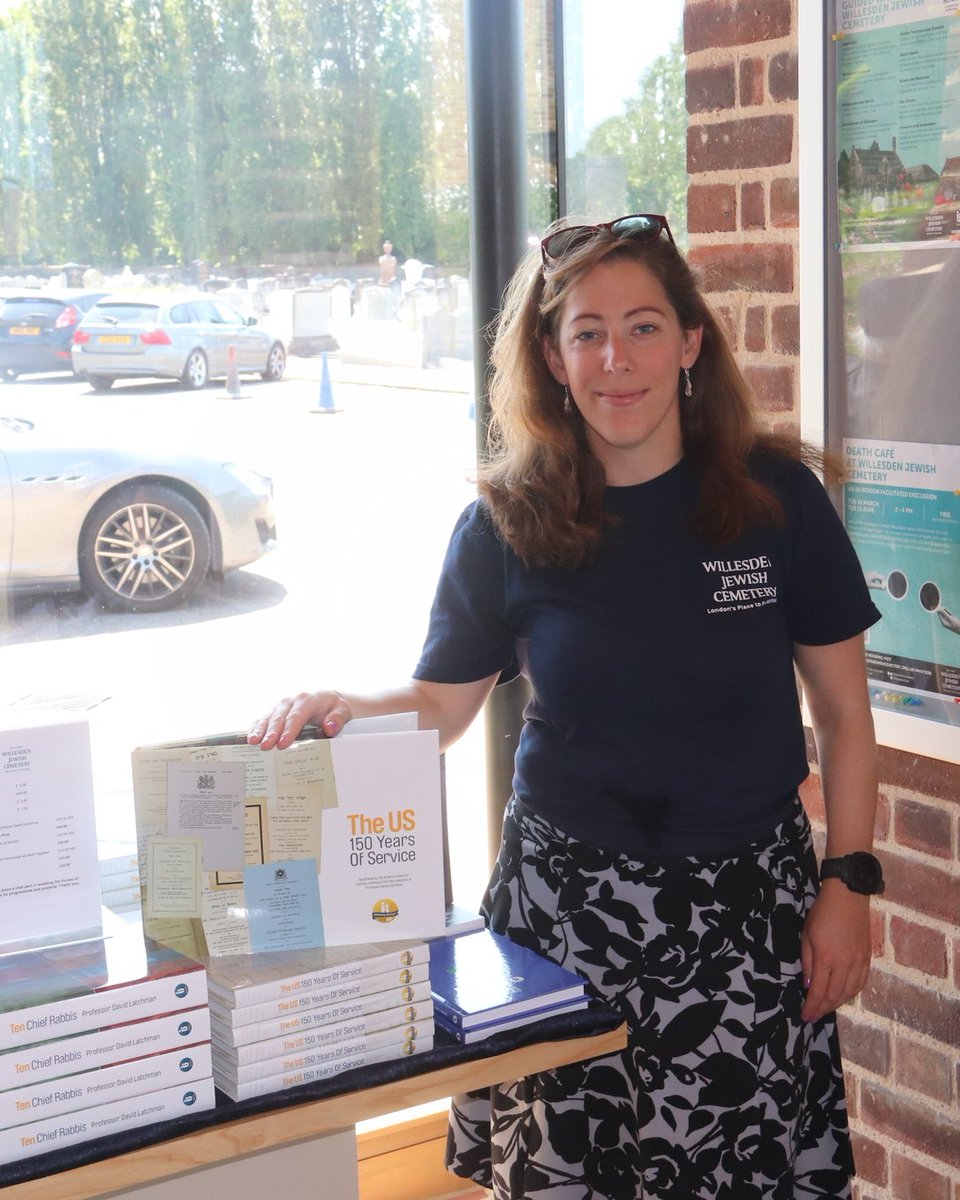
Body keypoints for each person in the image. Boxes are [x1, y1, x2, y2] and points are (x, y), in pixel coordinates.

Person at [249, 213, 883, 1199]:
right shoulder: (508, 521)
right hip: (564, 925)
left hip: (747, 924)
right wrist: (346, 709)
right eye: (586, 332)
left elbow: (845, 714)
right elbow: (441, 704)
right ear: (551, 356)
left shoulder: (776, 503)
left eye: (641, 326)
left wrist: (847, 884)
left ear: (689, 343)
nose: (615, 359)